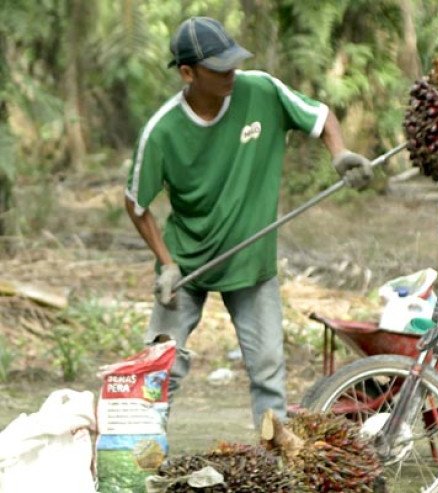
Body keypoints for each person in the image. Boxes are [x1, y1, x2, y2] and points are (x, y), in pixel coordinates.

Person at [124, 16, 372, 427]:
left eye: (234, 63)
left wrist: (339, 155)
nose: (231, 74)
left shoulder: (262, 90)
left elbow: (321, 116)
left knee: (269, 370)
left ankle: (272, 459)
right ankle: (141, 453)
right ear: (188, 73)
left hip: (250, 261)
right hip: (187, 265)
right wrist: (166, 263)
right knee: (160, 371)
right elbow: (136, 204)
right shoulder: (162, 131)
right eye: (219, 69)